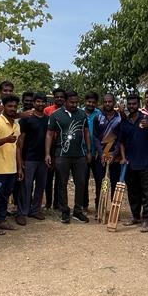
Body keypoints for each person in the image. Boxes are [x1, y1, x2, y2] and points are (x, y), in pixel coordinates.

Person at [46, 90, 90, 224]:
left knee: (81, 182)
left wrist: (88, 151)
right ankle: (64, 211)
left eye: (76, 102)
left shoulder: (82, 114)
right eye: (71, 102)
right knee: (62, 183)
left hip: (80, 155)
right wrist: (47, 153)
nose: (74, 104)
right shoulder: (55, 115)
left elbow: (86, 132)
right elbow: (49, 134)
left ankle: (78, 211)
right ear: (65, 101)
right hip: (62, 155)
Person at [118, 93, 148, 231]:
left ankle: (147, 219)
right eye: (129, 104)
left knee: (147, 193)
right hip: (130, 164)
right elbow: (121, 142)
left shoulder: (146, 119)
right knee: (132, 192)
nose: (131, 106)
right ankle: (135, 216)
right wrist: (123, 157)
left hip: (146, 164)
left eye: (134, 104)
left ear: (138, 105)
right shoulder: (125, 122)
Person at [0, 94, 21, 234]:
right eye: (9, 106)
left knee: (6, 195)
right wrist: (5, 139)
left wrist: (19, 167)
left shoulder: (16, 124)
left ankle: (2, 220)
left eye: (15, 106)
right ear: (3, 107)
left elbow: (17, 147)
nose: (12, 109)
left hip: (11, 167)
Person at [16, 92, 49, 223]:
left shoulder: (48, 119)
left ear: (46, 103)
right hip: (29, 158)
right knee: (26, 186)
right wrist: (20, 159)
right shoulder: (26, 119)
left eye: (43, 102)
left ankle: (35, 210)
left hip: (43, 158)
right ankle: (22, 212)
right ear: (34, 103)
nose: (40, 104)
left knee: (40, 185)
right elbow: (21, 140)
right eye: (38, 101)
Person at [92, 93, 123, 211]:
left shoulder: (119, 118)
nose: (107, 104)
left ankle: (114, 210)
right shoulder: (98, 117)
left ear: (113, 102)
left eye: (110, 101)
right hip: (101, 157)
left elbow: (120, 138)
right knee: (101, 183)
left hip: (115, 157)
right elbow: (95, 137)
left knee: (114, 183)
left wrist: (114, 154)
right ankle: (100, 208)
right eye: (105, 102)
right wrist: (101, 154)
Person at [44, 87, 66, 208]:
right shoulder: (47, 110)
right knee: (48, 175)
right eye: (57, 97)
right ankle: (48, 203)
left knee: (60, 176)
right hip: (50, 145)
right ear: (53, 98)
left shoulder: (68, 111)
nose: (59, 99)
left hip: (62, 146)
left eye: (61, 97)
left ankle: (57, 203)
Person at [81, 91, 102, 213]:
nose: (91, 104)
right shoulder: (79, 113)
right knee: (83, 180)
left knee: (99, 180)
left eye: (93, 102)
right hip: (82, 153)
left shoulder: (99, 114)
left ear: (96, 103)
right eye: (89, 102)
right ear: (85, 102)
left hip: (97, 153)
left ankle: (99, 206)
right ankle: (84, 206)